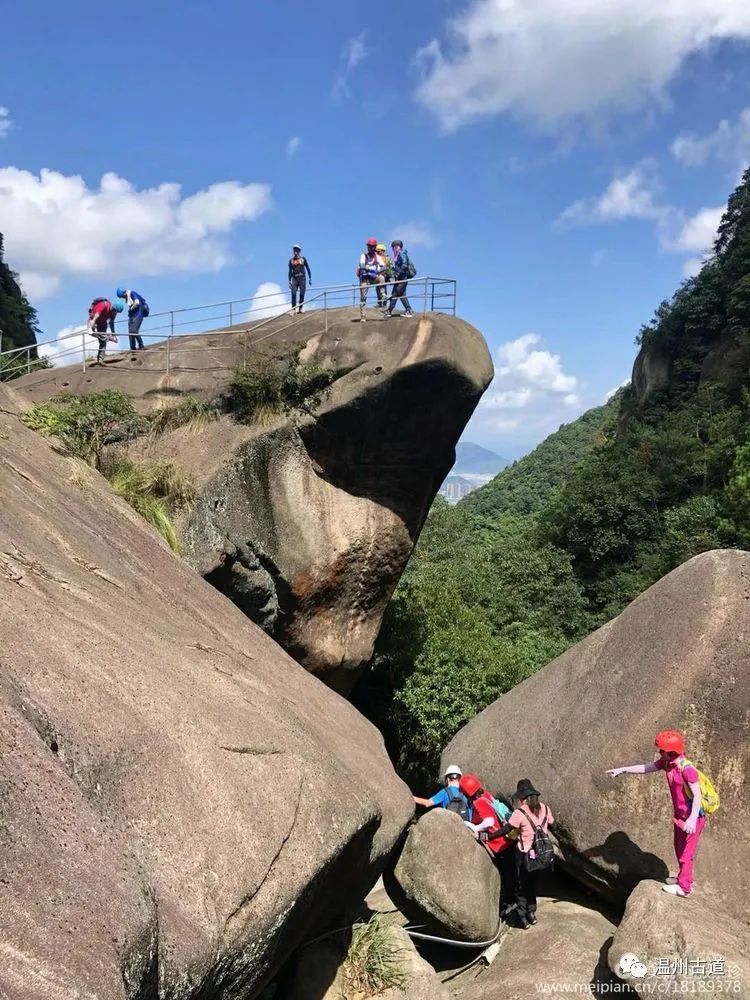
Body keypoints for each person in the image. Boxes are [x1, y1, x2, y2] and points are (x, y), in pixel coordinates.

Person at [607, 730, 706, 898]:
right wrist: (623, 770)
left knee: (686, 854)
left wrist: (691, 819)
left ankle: (684, 888)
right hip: (680, 816)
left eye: (662, 750)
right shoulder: (667, 763)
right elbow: (646, 768)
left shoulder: (687, 769)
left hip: (693, 818)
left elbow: (697, 796)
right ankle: (683, 878)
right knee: (679, 849)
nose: (660, 753)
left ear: (672, 751)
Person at [498, 779, 555, 929]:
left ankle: (522, 918)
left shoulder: (520, 812)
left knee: (522, 885)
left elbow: (506, 830)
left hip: (524, 856)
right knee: (533, 884)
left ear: (523, 797)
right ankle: (532, 913)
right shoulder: (545, 808)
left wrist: (487, 836)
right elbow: (551, 822)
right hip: (541, 855)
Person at [459, 773, 516, 919]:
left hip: (499, 844)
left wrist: (475, 828)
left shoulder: (479, 803)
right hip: (507, 841)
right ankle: (513, 901)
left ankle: (511, 904)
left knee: (506, 876)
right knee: (511, 874)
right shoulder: (487, 796)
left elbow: (489, 822)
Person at [357, 237, 386, 320]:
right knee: (363, 297)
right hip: (365, 278)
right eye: (370, 246)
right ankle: (363, 316)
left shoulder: (378, 257)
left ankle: (383, 294)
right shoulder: (363, 256)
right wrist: (371, 269)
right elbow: (362, 266)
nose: (371, 248)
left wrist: (377, 271)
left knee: (381, 278)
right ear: (368, 247)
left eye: (373, 246)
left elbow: (384, 267)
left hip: (373, 277)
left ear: (375, 247)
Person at [88, 297, 123, 364]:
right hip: (94, 321)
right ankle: (107, 337)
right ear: (113, 307)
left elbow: (111, 322)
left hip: (103, 324)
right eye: (114, 310)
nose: (115, 313)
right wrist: (92, 325)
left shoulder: (114, 313)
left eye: (116, 312)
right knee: (91, 333)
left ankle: (100, 360)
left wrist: (113, 334)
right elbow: (96, 315)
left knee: (103, 342)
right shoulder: (103, 305)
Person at [384, 240, 414, 318]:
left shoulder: (401, 253)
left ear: (397, 247)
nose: (393, 249)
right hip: (400, 278)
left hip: (402, 278)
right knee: (401, 294)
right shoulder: (397, 255)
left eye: (394, 247)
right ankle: (408, 310)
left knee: (395, 293)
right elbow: (397, 267)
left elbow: (404, 265)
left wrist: (397, 273)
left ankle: (389, 310)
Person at [116, 287, 149, 351]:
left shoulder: (132, 293)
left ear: (124, 293)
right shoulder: (128, 296)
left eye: (122, 296)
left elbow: (137, 303)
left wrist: (131, 309)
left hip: (138, 314)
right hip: (132, 315)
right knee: (130, 332)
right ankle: (132, 348)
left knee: (134, 331)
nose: (122, 298)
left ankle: (141, 346)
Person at [288, 245, 312, 314]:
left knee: (302, 294)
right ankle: (293, 309)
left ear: (299, 251)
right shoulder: (291, 260)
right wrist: (289, 281)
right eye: (294, 249)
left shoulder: (303, 259)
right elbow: (289, 271)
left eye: (296, 249)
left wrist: (310, 278)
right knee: (293, 294)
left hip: (302, 278)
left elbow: (308, 268)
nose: (295, 251)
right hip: (294, 279)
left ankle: (300, 308)